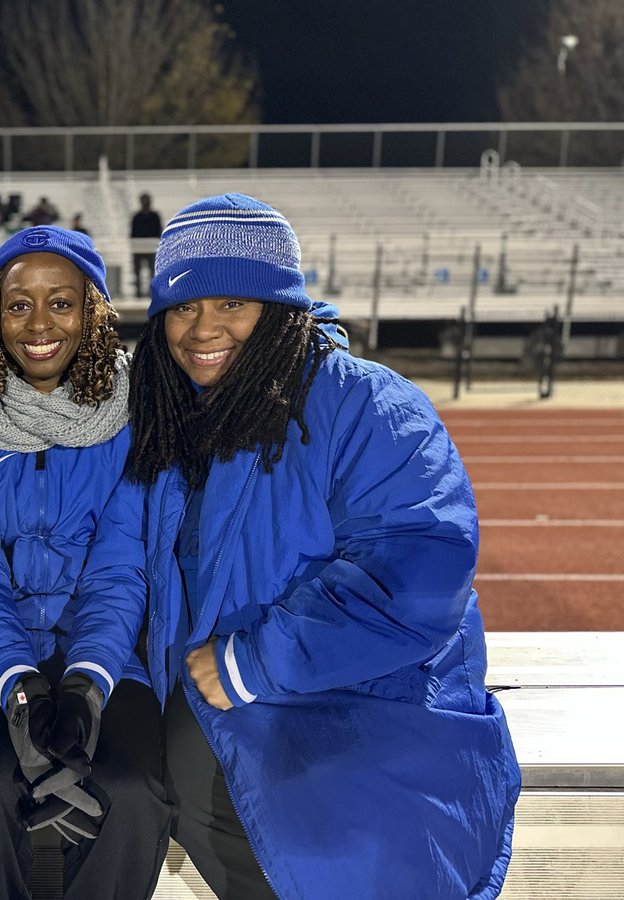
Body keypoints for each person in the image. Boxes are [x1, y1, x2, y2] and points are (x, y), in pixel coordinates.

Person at [122, 194, 520, 899]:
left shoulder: (368, 403)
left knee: (346, 837)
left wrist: (254, 663)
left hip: (358, 687)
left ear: (280, 311)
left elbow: (416, 569)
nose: (202, 329)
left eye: (232, 306)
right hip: (210, 686)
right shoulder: (164, 413)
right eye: (184, 308)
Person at [0, 225, 172, 900]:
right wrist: (19, 687)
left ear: (91, 311)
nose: (38, 324)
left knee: (135, 793)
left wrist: (86, 689)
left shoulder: (133, 420)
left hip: (104, 652)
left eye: (60, 303)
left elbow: (119, 571)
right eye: (17, 304)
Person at [129, 193, 161, 298]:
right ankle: (138, 293)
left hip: (151, 248)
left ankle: (152, 292)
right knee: (137, 271)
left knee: (152, 271)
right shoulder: (136, 217)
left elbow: (158, 231)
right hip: (138, 248)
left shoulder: (155, 216)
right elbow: (133, 233)